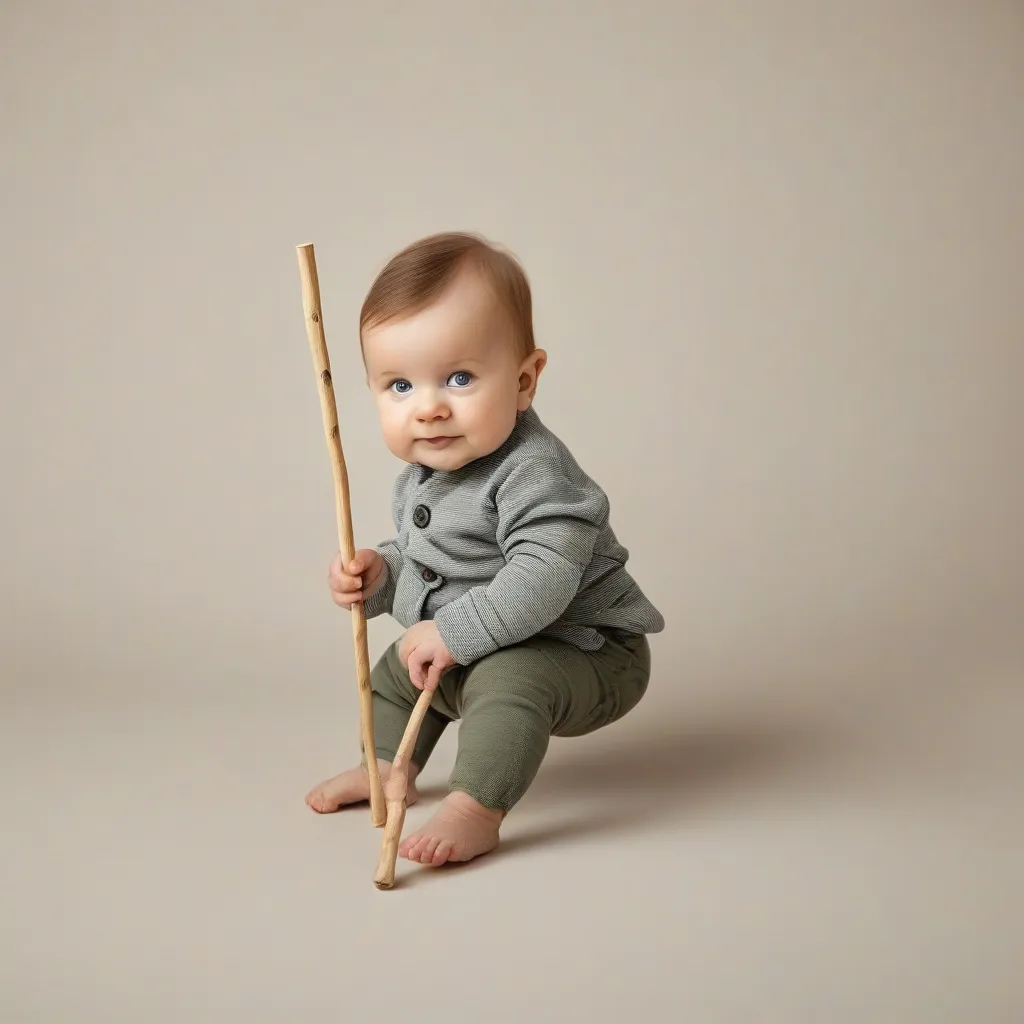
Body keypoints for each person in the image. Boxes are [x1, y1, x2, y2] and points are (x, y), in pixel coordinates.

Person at [305, 231, 664, 867]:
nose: (429, 409)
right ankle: (385, 766)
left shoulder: (536, 474)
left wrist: (452, 632)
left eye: (459, 378)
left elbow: (543, 578)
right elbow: (438, 563)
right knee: (393, 674)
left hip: (585, 650)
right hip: (483, 639)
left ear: (524, 380)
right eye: (399, 386)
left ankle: (476, 806)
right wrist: (381, 574)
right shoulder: (424, 475)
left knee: (509, 680)